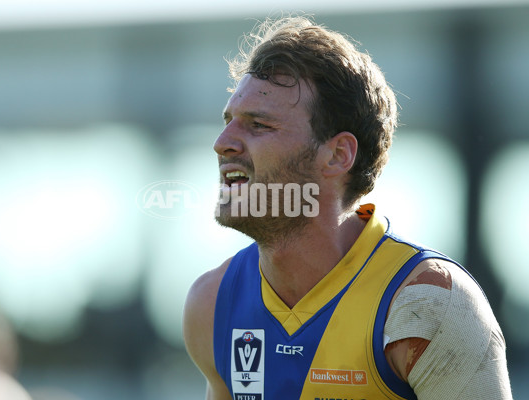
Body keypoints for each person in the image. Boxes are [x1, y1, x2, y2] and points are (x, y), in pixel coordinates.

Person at [183, 16, 512, 400]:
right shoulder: (212, 303)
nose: (222, 143)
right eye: (229, 122)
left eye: (258, 125)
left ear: (338, 155)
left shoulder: (429, 305)